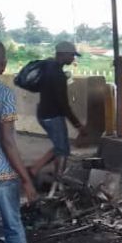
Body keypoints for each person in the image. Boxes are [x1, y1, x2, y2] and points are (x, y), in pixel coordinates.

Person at [0, 40, 41, 243]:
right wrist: (25, 178)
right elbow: (8, 141)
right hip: (2, 175)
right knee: (13, 228)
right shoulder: (3, 93)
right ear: (2, 65)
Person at [28, 41, 86, 182]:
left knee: (60, 146)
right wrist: (78, 125)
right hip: (52, 115)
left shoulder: (48, 67)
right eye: (71, 55)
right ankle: (59, 180)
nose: (73, 58)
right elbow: (63, 104)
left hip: (43, 112)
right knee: (63, 150)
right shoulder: (58, 74)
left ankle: (35, 169)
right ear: (63, 54)